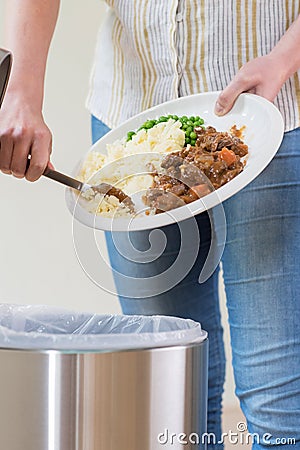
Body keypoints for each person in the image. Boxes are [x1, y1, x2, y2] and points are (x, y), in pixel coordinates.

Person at [1, 1, 299, 448]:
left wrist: (284, 57)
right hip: (131, 125)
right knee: (167, 395)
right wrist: (20, 92)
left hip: (265, 117)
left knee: (276, 404)